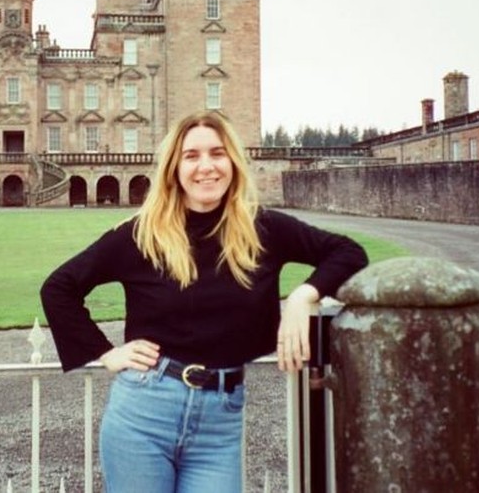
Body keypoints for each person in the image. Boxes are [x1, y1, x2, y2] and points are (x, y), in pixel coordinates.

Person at [40, 111, 368, 492]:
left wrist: (302, 296)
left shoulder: (263, 229)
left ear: (233, 161)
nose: (206, 166)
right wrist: (106, 353)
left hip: (220, 423)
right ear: (174, 168)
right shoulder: (141, 236)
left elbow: (348, 253)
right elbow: (59, 288)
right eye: (191, 156)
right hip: (143, 413)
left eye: (217, 153)